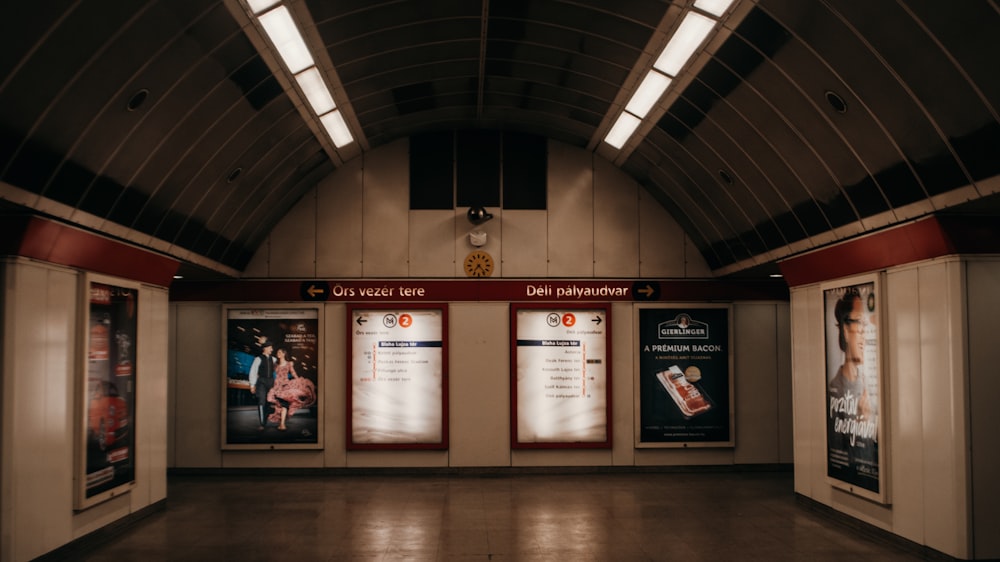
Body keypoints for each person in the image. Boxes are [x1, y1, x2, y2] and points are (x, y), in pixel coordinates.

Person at [827, 288, 878, 486]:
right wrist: (860, 422)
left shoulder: (868, 381)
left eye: (866, 326)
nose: (865, 334)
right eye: (859, 323)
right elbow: (838, 452)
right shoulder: (835, 389)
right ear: (846, 331)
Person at [266, 347, 316, 431]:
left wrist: (299, 381)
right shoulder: (275, 365)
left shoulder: (289, 364)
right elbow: (270, 373)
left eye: (279, 352)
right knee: (278, 405)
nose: (277, 353)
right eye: (277, 352)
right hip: (276, 386)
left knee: (284, 404)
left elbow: (293, 373)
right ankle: (281, 421)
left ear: (284, 354)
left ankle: (282, 424)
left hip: (285, 386)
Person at [248, 339, 276, 430]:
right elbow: (253, 371)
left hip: (271, 382)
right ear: (265, 348)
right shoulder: (258, 359)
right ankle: (262, 424)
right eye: (270, 348)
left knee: (268, 403)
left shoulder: (274, 359)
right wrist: (252, 385)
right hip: (261, 382)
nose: (272, 350)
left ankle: (266, 418)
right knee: (261, 401)